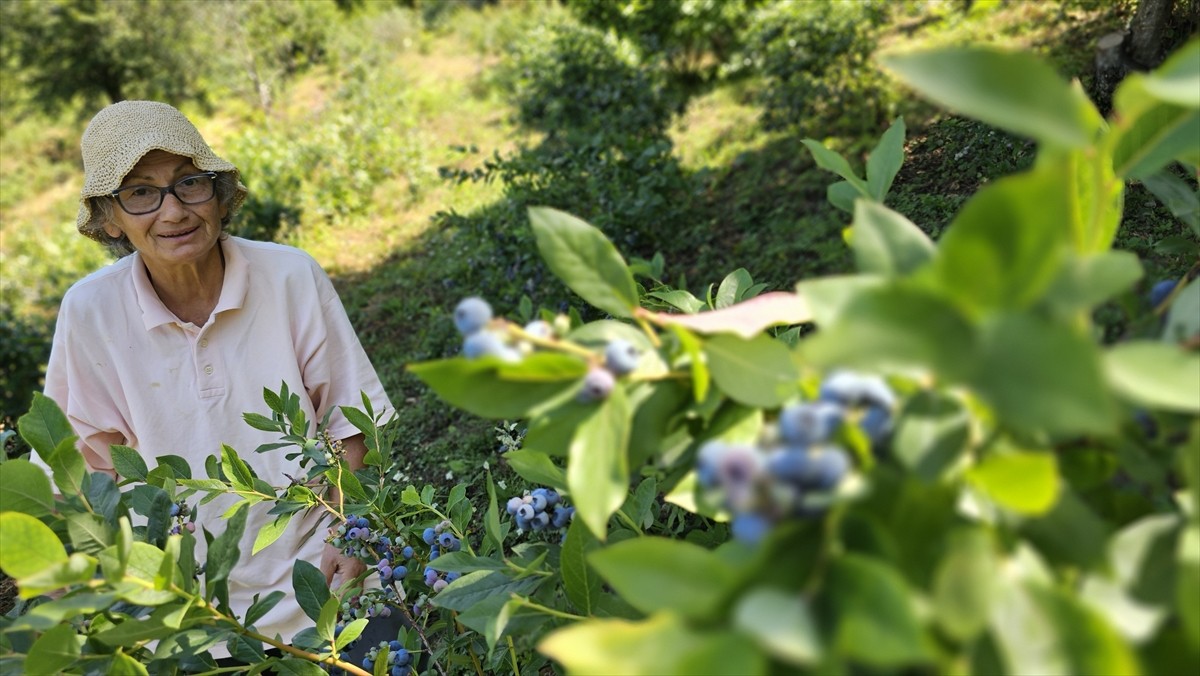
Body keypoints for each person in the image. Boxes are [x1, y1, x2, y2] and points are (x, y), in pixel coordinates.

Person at [32, 99, 395, 655]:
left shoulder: (289, 276)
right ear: (110, 218)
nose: (173, 211)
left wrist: (349, 533)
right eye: (140, 193)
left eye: (188, 184)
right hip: (192, 610)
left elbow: (350, 420)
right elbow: (84, 466)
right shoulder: (91, 312)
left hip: (328, 576)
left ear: (218, 196)